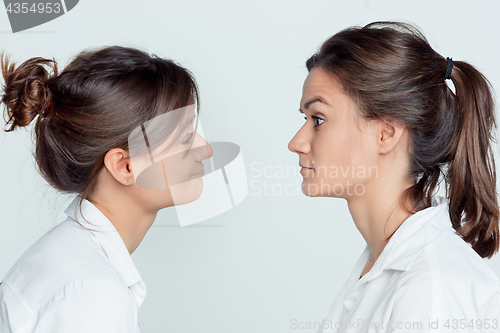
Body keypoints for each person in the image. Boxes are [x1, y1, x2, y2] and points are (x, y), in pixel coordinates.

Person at [288, 21, 500, 332]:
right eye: (305, 119)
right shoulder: (381, 262)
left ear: (386, 134)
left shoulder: (430, 290)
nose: (296, 143)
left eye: (318, 119)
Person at [0, 45, 212, 332]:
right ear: (125, 166)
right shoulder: (95, 296)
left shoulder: (69, 262)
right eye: (185, 137)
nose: (206, 149)